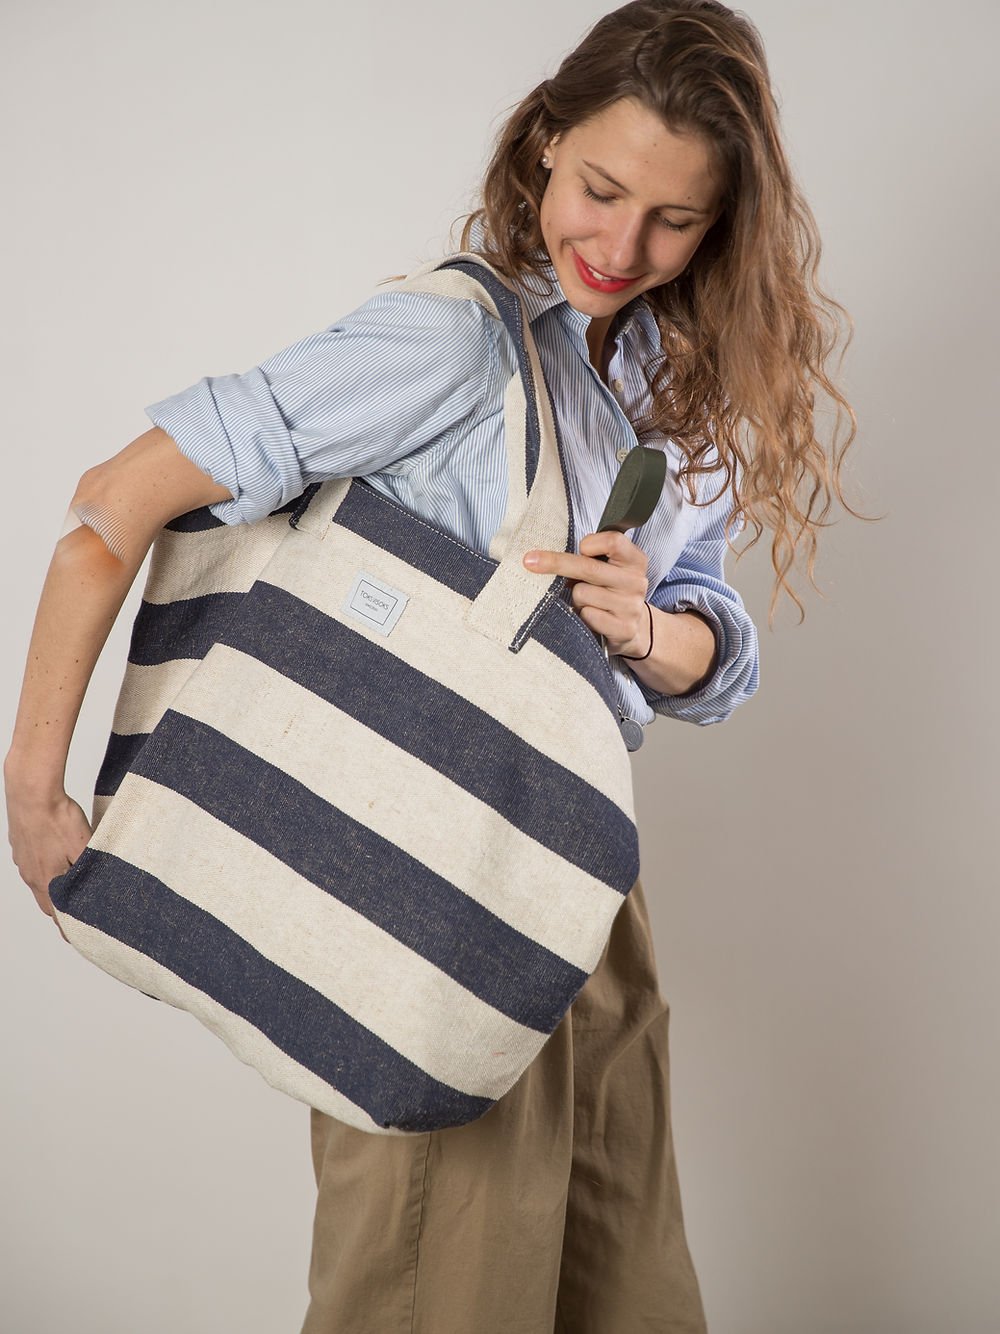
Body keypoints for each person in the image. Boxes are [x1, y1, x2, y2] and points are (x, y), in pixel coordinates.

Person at [4, 1, 860, 1329]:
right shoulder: (455, 345)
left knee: (626, 1297)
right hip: (421, 888)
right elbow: (112, 503)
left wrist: (650, 629)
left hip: (587, 899)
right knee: (429, 1299)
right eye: (599, 188)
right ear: (544, 141)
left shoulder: (678, 389)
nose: (620, 246)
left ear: (725, 224)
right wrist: (36, 789)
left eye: (674, 220)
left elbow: (713, 644)